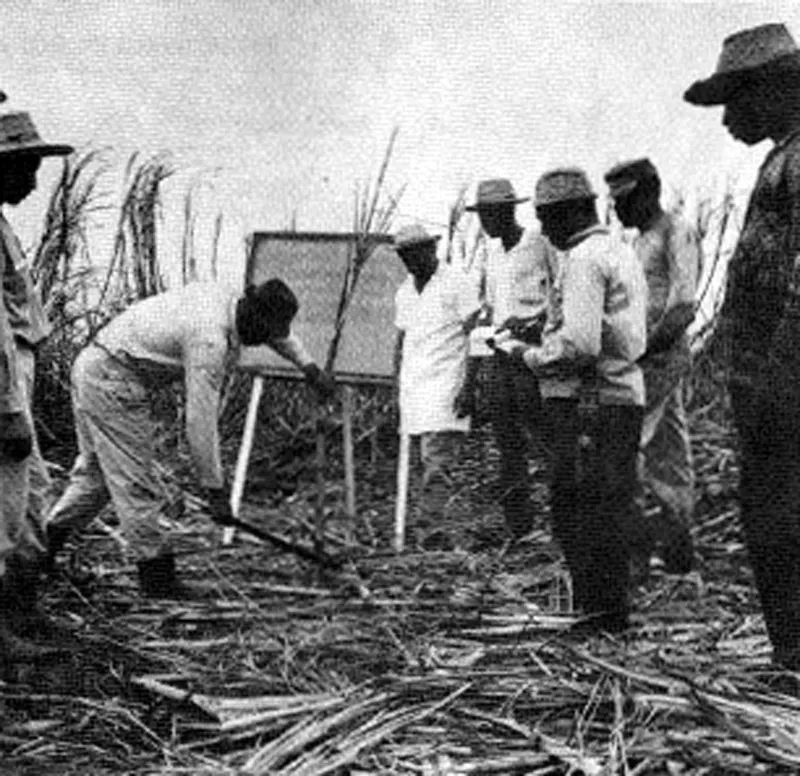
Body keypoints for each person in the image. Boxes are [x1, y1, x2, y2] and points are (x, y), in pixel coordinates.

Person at [46, 278, 336, 598]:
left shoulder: (231, 300)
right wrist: (215, 488)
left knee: (97, 478)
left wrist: (310, 368)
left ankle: (37, 552)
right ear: (253, 315)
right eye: (266, 333)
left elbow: (282, 338)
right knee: (136, 483)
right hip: (113, 379)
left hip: (94, 365)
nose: (267, 342)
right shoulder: (209, 341)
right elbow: (200, 421)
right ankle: (157, 580)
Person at [684, 22, 800, 670]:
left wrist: (779, 383)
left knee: (782, 517)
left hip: (785, 384)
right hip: (770, 381)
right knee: (773, 517)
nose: (728, 118)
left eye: (737, 99)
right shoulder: (784, 155)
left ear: (776, 89)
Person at [506, 167, 647, 632]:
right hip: (620, 398)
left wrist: (529, 355)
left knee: (577, 511)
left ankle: (597, 617)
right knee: (609, 510)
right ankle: (608, 615)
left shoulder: (585, 259)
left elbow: (580, 347)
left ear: (571, 213)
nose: (543, 230)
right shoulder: (618, 250)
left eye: (547, 218)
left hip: (590, 404)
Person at [604, 158, 701, 576]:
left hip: (658, 359)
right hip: (644, 358)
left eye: (625, 200)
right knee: (668, 453)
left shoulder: (676, 230)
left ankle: (636, 552)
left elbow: (683, 305)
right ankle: (677, 549)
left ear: (649, 191)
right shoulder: (637, 243)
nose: (619, 210)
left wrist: (641, 350)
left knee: (628, 447)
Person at [0, 111, 73, 658]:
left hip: (15, 378)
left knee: (33, 499)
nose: (32, 181)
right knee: (4, 508)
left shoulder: (3, 228)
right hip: (3, 386)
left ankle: (22, 609)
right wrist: (9, 411)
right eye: (24, 168)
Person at [464, 179, 557, 541]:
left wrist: (536, 322)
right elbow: (492, 309)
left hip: (534, 355)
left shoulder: (540, 244)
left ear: (508, 211)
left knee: (545, 435)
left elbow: (561, 294)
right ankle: (519, 526)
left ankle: (564, 518)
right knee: (507, 442)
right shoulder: (493, 254)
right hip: (501, 356)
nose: (487, 223)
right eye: (483, 215)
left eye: (492, 214)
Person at [393, 224, 480, 533]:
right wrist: (396, 384)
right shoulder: (404, 291)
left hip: (446, 384)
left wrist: (468, 387)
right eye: (405, 256)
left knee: (437, 460)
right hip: (415, 386)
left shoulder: (457, 282)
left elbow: (476, 337)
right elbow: (402, 339)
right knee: (420, 460)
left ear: (431, 249)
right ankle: (425, 527)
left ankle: (430, 530)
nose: (412, 260)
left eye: (417, 252)